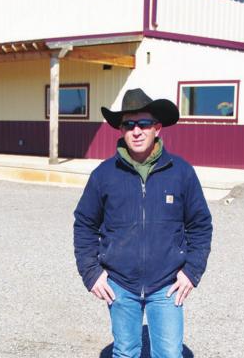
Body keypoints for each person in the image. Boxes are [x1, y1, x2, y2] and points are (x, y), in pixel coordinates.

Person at [73, 88, 212, 358]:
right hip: (120, 284)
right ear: (121, 130)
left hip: (167, 283)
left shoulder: (181, 172)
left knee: (170, 353)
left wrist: (191, 271)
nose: (136, 131)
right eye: (129, 124)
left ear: (157, 128)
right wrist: (91, 273)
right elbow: (84, 224)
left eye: (144, 123)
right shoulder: (103, 175)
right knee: (125, 352)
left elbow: (200, 225)